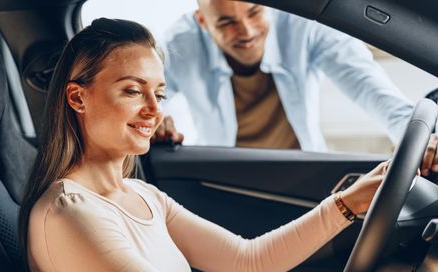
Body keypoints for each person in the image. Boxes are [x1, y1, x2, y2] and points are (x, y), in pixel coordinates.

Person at [19, 18, 438, 272]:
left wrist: (348, 203)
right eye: (132, 91)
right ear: (77, 98)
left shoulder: (141, 195)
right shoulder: (69, 215)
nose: (152, 109)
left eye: (159, 94)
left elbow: (249, 261)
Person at [159, 0, 438, 176]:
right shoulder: (179, 43)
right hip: (225, 179)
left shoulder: (304, 25)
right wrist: (156, 118)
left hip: (300, 171)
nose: (246, 31)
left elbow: (368, 84)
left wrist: (410, 131)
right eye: (227, 22)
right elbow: (149, 94)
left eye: (254, 12)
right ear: (203, 22)